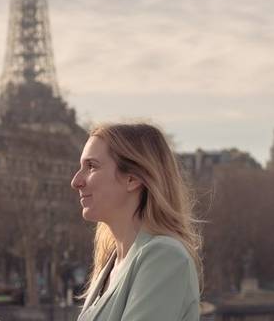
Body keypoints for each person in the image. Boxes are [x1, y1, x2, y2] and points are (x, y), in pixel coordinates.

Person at [70, 123, 201, 321]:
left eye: (91, 166)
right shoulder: (112, 263)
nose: (76, 181)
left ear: (132, 179)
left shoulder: (165, 256)